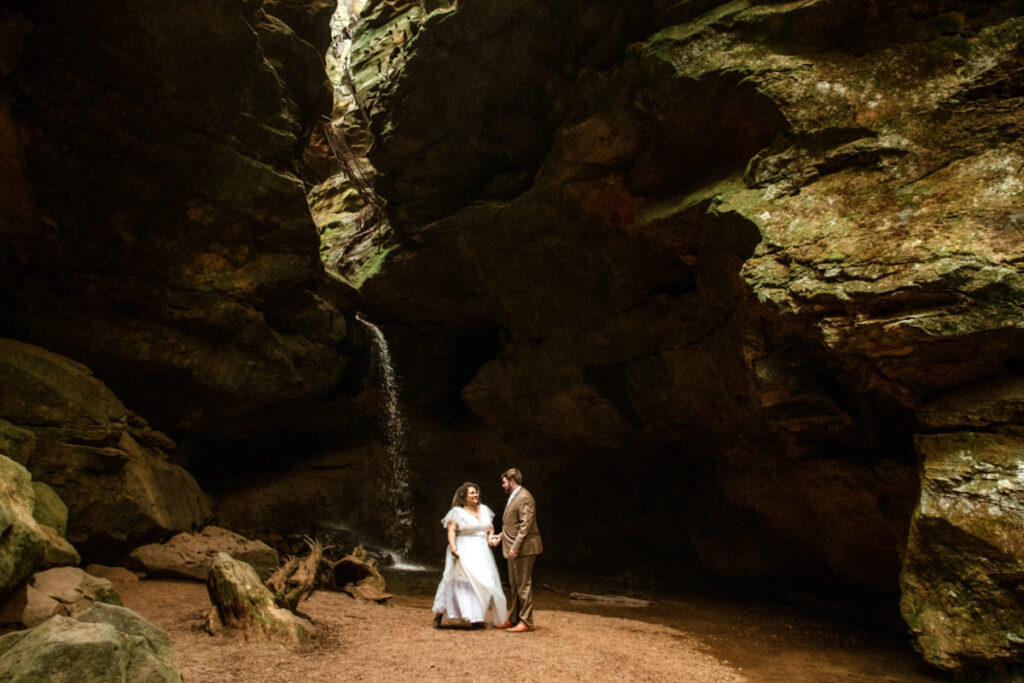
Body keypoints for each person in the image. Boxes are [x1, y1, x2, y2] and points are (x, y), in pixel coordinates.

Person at [431, 482, 507, 627]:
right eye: (471, 493)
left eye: (476, 492)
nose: (475, 495)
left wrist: (491, 537)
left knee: (482, 581)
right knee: (459, 581)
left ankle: (476, 616)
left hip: (482, 550)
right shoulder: (457, 512)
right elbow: (451, 530)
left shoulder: (484, 510)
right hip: (464, 548)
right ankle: (440, 612)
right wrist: (453, 547)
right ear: (464, 496)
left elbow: (490, 528)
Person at [490, 467, 542, 632]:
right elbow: (513, 525)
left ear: (512, 481)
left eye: (504, 482)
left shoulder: (524, 497)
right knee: (514, 585)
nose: (502, 485)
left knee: (523, 584)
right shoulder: (515, 496)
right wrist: (500, 536)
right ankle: (514, 618)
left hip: (524, 548)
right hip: (514, 547)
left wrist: (515, 547)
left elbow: (525, 526)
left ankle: (527, 621)